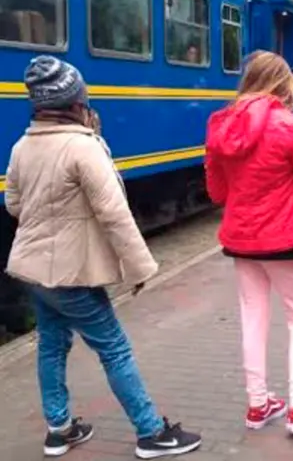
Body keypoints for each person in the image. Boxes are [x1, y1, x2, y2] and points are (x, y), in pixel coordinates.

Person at [4, 55, 202, 459]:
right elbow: (114, 213)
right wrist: (138, 268)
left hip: (33, 269)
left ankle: (59, 430)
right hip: (72, 275)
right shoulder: (83, 147)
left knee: (51, 346)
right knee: (114, 348)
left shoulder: (24, 145)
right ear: (77, 102)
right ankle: (151, 433)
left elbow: (13, 204)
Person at [205, 51, 293, 436]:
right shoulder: (290, 125)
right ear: (281, 83)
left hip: (242, 239)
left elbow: (216, 192)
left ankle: (259, 404)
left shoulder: (219, 125)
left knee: (253, 318)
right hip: (285, 237)